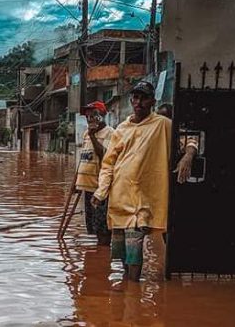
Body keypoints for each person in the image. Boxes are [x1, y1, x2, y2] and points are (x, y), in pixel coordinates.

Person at [91, 81, 172, 282]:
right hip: (120, 198)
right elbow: (108, 164)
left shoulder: (163, 125)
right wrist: (101, 192)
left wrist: (189, 153)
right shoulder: (122, 129)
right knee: (123, 255)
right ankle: (126, 293)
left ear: (152, 101)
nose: (139, 102)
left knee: (135, 248)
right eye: (136, 97)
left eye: (144, 98)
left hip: (144, 199)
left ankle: (132, 297)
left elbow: (188, 138)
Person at [75, 101, 114, 245]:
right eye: (88, 116)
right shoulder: (86, 134)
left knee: (102, 229)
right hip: (87, 187)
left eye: (94, 116)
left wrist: (93, 136)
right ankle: (97, 259)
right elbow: (84, 159)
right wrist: (77, 184)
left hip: (101, 189)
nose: (90, 119)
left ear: (102, 116)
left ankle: (103, 259)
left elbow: (106, 157)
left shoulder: (110, 132)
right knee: (92, 227)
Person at [156, 103, 199, 184]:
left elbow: (191, 142)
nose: (161, 122)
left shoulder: (178, 133)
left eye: (165, 118)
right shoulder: (153, 132)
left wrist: (188, 156)